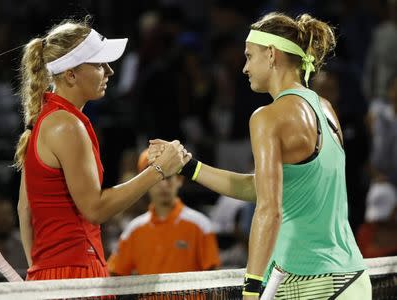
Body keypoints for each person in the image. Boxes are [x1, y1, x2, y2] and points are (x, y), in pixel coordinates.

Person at [150, 12, 370, 299]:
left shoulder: (267, 117)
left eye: (249, 56)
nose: (244, 68)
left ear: (271, 55)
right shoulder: (325, 108)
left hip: (308, 284)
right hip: (352, 278)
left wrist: (251, 287)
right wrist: (189, 166)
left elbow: (269, 208)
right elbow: (264, 189)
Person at [15, 18, 189, 281]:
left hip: (54, 276)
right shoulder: (67, 126)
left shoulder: (47, 120)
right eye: (98, 64)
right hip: (76, 275)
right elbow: (94, 209)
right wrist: (158, 170)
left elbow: (24, 209)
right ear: (71, 74)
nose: (109, 71)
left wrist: (39, 273)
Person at [107, 149, 220, 275]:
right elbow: (114, 273)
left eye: (168, 177)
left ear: (179, 180)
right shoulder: (133, 231)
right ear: (144, 183)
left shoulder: (201, 226)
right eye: (156, 178)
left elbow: (214, 279)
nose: (163, 184)